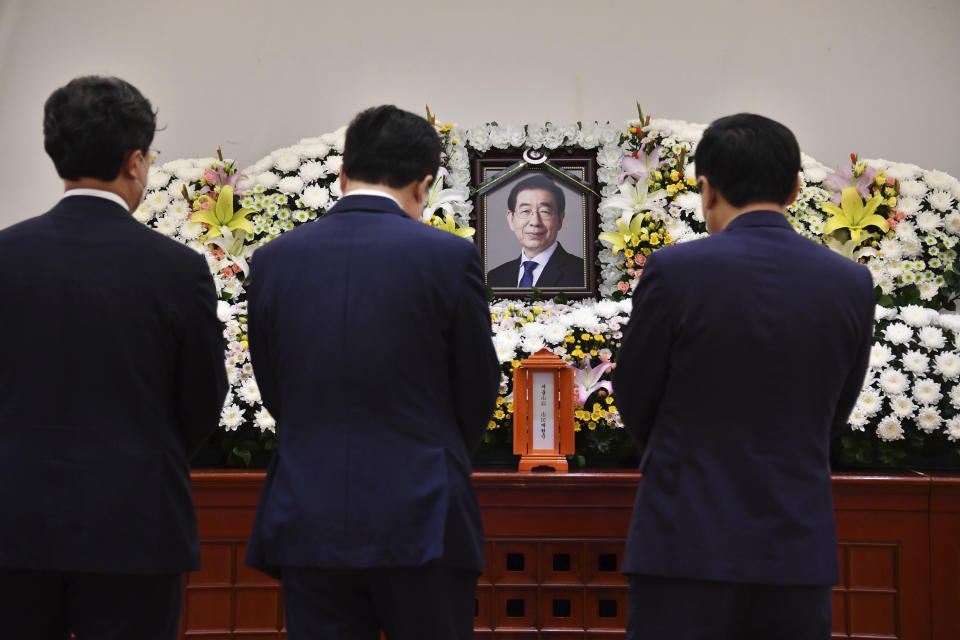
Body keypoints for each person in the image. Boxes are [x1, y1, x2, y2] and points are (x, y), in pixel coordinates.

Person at [613, 113, 875, 640]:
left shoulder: (674, 270)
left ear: (706, 189)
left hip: (684, 541)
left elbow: (634, 395)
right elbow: (836, 410)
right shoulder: (849, 281)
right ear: (797, 189)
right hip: (795, 548)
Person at [244, 105, 500, 640]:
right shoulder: (449, 257)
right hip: (422, 513)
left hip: (309, 512)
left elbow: (274, 390)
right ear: (423, 184)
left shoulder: (275, 260)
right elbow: (477, 386)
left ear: (342, 174)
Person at [0, 76, 227, 640]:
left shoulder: (5, 257)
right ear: (134, 161)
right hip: (137, 525)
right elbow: (203, 396)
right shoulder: (177, 270)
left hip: (12, 524)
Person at [486, 174, 585, 288]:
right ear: (511, 219)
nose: (535, 222)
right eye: (525, 211)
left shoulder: (583, 274)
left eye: (545, 211)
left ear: (560, 219)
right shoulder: (495, 277)